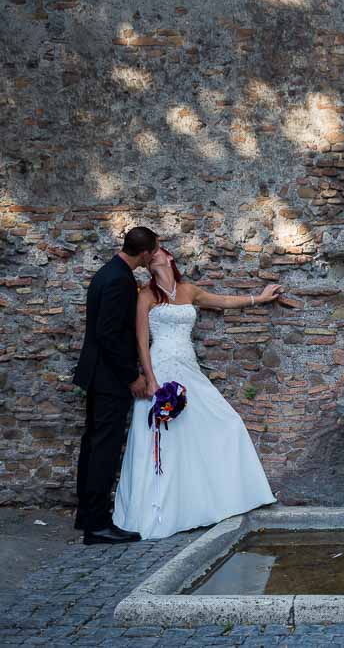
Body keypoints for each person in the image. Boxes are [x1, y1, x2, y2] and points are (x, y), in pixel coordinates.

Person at [112, 246, 283, 539]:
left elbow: (224, 301)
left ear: (169, 258)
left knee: (226, 423)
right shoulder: (146, 295)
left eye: (158, 251)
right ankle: (161, 511)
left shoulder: (188, 290)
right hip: (162, 367)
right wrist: (150, 378)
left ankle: (211, 502)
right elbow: (141, 341)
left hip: (188, 366)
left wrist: (260, 297)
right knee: (165, 437)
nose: (153, 255)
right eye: (149, 253)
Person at [73, 227, 159, 545]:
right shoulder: (120, 280)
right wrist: (131, 377)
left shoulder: (107, 273)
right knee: (103, 450)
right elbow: (109, 335)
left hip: (99, 375)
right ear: (147, 253)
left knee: (94, 446)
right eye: (155, 251)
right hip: (109, 379)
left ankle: (88, 518)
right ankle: (97, 526)